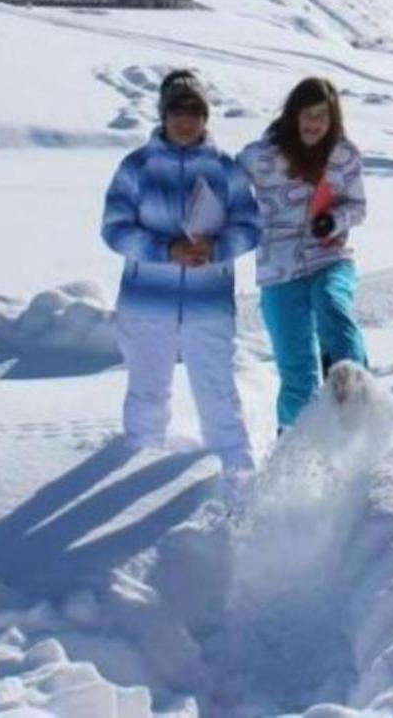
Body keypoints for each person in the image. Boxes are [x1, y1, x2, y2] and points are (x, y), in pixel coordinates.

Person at [100, 68, 261, 482]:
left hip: (208, 304)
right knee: (147, 394)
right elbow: (115, 229)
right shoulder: (136, 168)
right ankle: (136, 471)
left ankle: (238, 480)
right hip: (146, 303)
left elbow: (249, 227)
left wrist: (218, 247)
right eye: (177, 110)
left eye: (194, 110)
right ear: (163, 114)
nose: (185, 119)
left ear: (206, 116)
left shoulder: (226, 170)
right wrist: (164, 250)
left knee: (219, 395)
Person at [240, 75, 370, 429]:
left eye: (322, 116)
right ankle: (290, 450)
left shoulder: (343, 155)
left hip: (329, 257)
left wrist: (334, 219)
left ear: (333, 119)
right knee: (297, 375)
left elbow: (358, 206)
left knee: (332, 308)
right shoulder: (261, 157)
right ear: (293, 115)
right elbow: (221, 190)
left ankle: (356, 401)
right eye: (307, 115)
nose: (314, 124)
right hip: (278, 270)